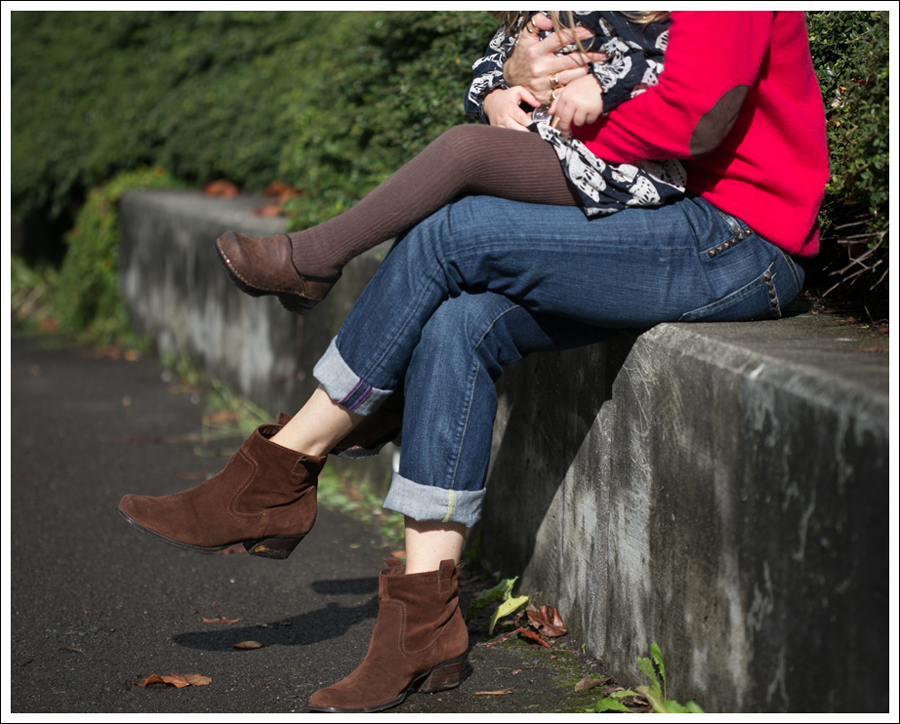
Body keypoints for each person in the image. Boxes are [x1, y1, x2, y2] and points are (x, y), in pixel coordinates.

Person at [118, 11, 828, 713]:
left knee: (452, 234)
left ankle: (285, 464)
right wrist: (507, 84)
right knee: (456, 322)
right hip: (660, 215)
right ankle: (424, 628)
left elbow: (696, 114)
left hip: (738, 237)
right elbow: (563, 54)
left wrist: (562, 134)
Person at [213, 11, 684, 315]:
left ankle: (312, 258)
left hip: (618, 162)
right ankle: (375, 383)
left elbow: (670, 62)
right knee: (432, 214)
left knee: (464, 150)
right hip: (548, 147)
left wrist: (602, 85)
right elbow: (493, 60)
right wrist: (495, 94)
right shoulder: (532, 16)